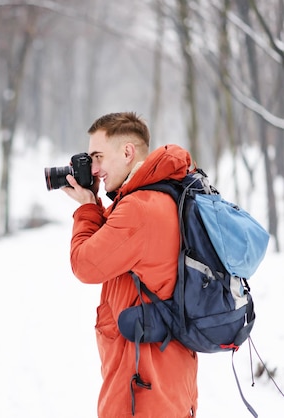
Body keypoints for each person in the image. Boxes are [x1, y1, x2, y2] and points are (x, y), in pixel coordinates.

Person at [62, 112, 198, 417]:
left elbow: (85, 265)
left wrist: (86, 208)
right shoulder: (158, 195)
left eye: (98, 157)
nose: (94, 170)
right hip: (163, 377)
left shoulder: (140, 208)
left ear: (127, 152)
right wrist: (93, 203)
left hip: (143, 388)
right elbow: (113, 241)